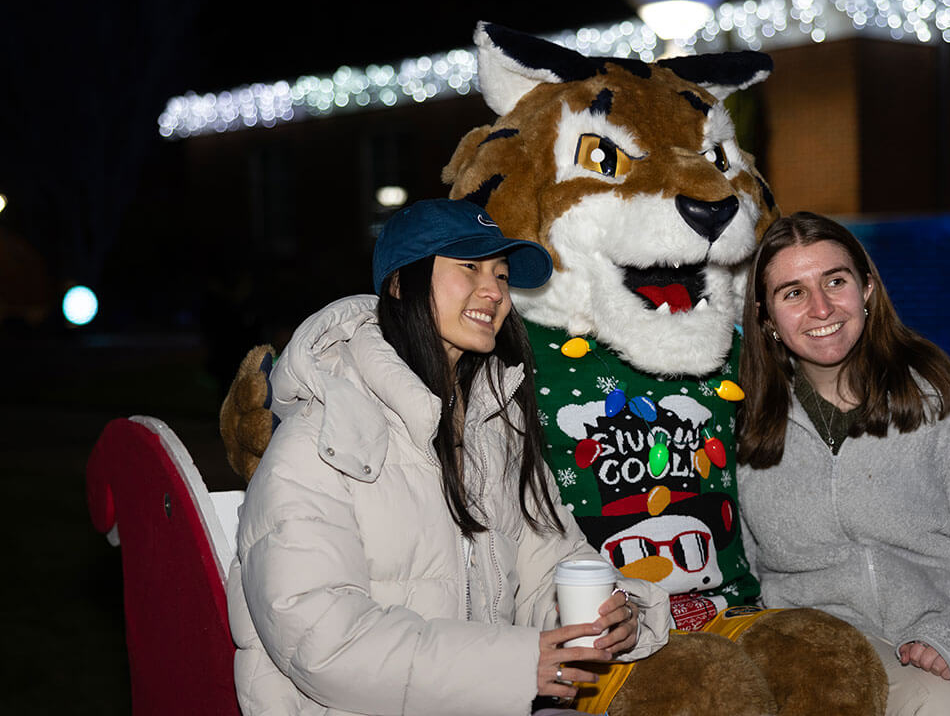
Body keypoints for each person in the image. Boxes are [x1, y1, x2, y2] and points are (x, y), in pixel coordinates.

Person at [226, 198, 669, 716]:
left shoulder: (494, 428)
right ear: (400, 284)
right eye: (469, 268)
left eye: (502, 275)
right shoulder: (320, 438)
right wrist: (514, 666)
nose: (495, 292)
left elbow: (550, 561)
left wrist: (616, 614)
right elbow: (322, 641)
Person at [735, 212, 950, 716]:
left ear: (867, 289)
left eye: (835, 281)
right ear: (766, 317)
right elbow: (743, 567)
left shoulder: (944, 403)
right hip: (821, 646)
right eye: (794, 293)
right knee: (942, 706)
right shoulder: (743, 425)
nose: (821, 307)